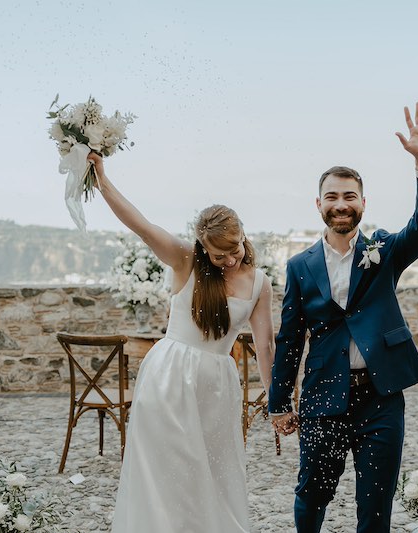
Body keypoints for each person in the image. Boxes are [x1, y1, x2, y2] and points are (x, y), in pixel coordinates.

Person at [268, 102, 418, 533]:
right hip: (323, 396)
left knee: (376, 506)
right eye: (332, 196)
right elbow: (290, 339)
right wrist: (278, 403)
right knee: (311, 496)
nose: (341, 204)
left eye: (349, 196)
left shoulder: (383, 252)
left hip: (381, 399)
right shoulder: (299, 266)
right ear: (319, 204)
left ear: (363, 203)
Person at [87, 154, 275, 533]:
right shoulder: (185, 261)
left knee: (215, 468)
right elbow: (140, 225)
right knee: (168, 468)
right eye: (218, 254)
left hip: (218, 385)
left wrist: (275, 397)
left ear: (243, 236)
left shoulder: (260, 283)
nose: (228, 260)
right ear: (203, 246)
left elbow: (266, 344)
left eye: (235, 249)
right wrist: (103, 182)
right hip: (169, 377)